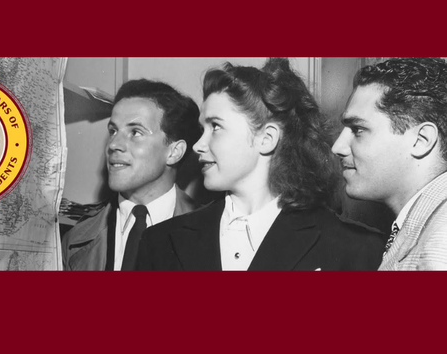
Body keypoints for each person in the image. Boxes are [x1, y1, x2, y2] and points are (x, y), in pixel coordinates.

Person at [137, 58, 385, 271]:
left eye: (216, 127)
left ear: (266, 139)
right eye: (203, 129)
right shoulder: (161, 242)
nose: (197, 145)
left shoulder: (355, 249)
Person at [62, 79, 202, 270]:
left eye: (135, 132)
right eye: (113, 131)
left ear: (174, 152)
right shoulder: (74, 241)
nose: (113, 145)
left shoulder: (211, 233)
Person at [332, 57, 447, 270]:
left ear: (421, 140)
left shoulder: (439, 242)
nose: (338, 147)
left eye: (358, 130)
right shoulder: (424, 227)